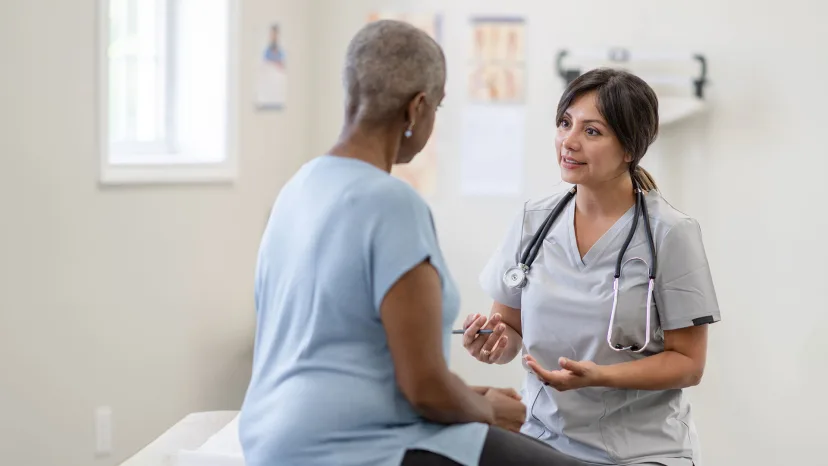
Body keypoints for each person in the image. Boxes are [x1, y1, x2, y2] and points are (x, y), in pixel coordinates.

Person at [238, 20, 587, 466]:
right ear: (416, 108)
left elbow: (349, 355)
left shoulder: (298, 187)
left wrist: (463, 395)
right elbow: (423, 388)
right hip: (355, 448)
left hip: (273, 441)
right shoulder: (391, 203)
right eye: (437, 109)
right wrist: (487, 409)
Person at [463, 68, 721, 466]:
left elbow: (688, 364)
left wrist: (601, 376)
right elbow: (508, 331)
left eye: (592, 131)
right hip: (543, 443)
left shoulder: (671, 233)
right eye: (565, 123)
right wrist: (493, 345)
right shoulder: (533, 221)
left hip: (641, 452)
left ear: (630, 148)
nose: (569, 141)